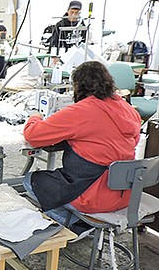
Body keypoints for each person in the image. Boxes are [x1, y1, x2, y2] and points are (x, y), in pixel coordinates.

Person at [23, 61, 140, 226]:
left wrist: (35, 116)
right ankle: (79, 220)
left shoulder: (82, 111)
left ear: (78, 86)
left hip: (91, 196)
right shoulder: (127, 108)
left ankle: (75, 223)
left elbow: (32, 136)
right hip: (124, 195)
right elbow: (132, 141)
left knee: (30, 181)